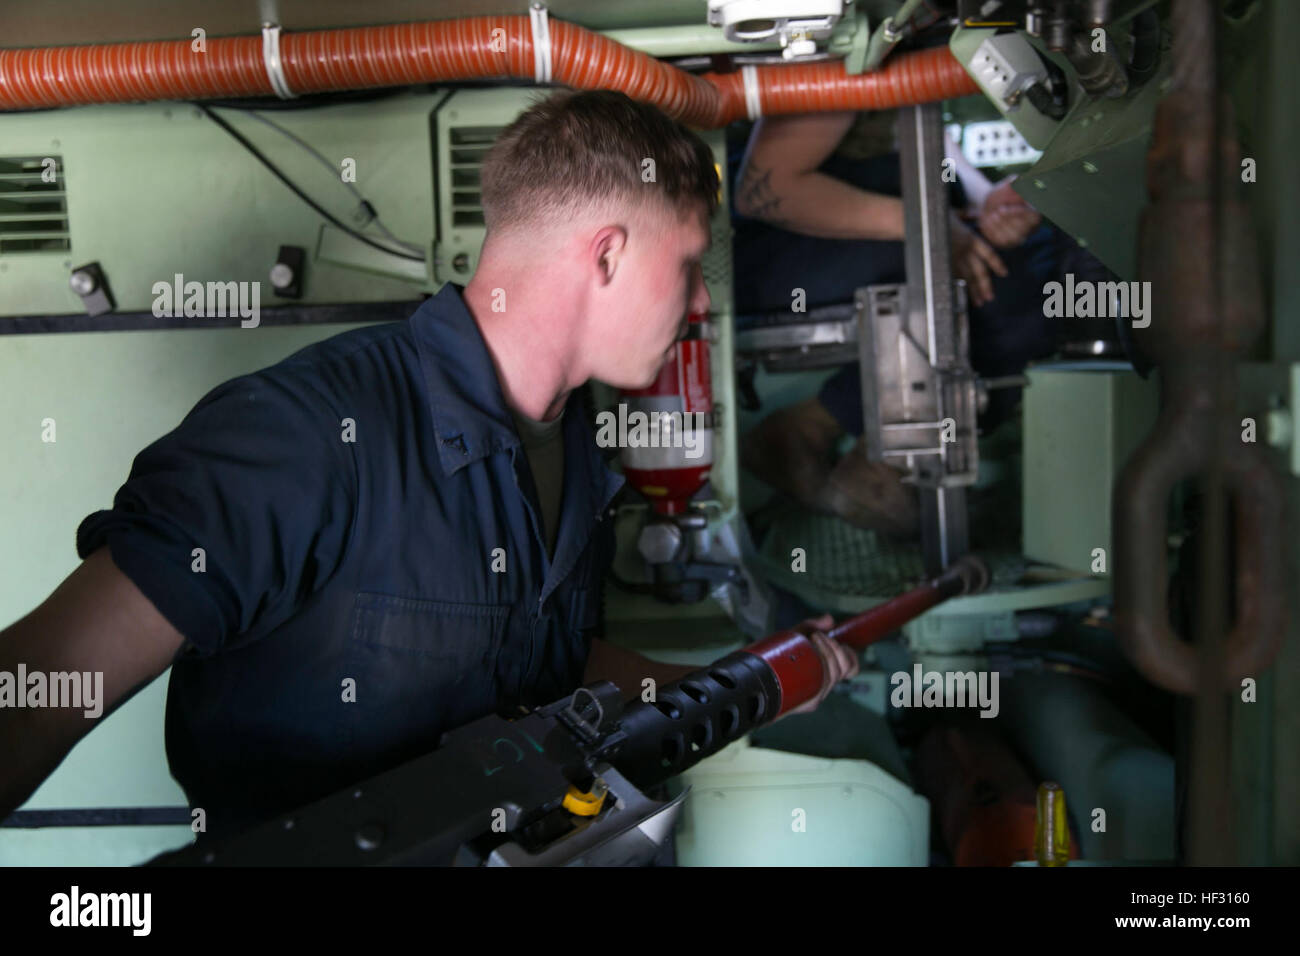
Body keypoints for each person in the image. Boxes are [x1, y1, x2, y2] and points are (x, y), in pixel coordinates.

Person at [0, 90, 856, 844]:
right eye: (687, 267)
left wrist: (758, 672)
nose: (702, 301)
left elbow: (542, 665)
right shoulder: (304, 436)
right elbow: (36, 688)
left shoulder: (584, 447)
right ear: (605, 255)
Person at [732, 110, 1058, 535]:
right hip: (775, 255)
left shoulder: (920, 56)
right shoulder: (853, 48)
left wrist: (987, 204)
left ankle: (825, 435)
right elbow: (765, 191)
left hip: (891, 220)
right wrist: (936, 227)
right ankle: (877, 457)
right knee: (1023, 275)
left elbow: (928, 142)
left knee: (1037, 262)